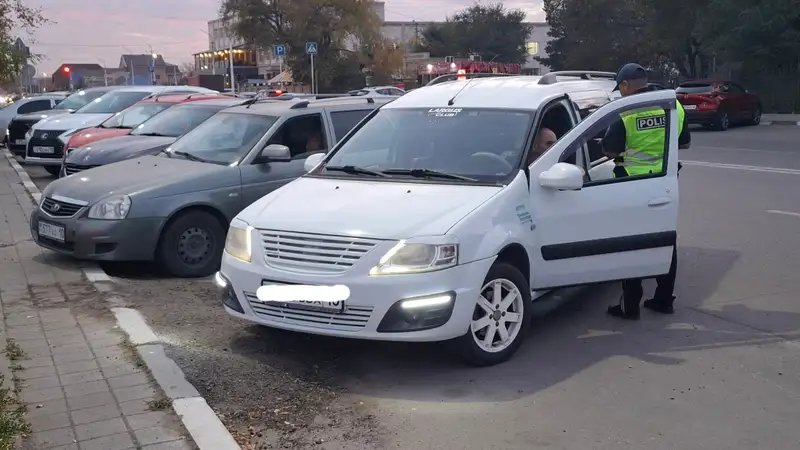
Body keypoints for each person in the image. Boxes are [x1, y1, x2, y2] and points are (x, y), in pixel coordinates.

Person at [601, 63, 691, 320]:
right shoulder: (673, 105)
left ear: (626, 85)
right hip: (664, 183)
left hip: (631, 185)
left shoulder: (627, 111)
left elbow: (609, 151)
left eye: (619, 88)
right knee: (665, 240)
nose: (619, 93)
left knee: (630, 243)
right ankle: (664, 299)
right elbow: (684, 143)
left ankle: (630, 306)